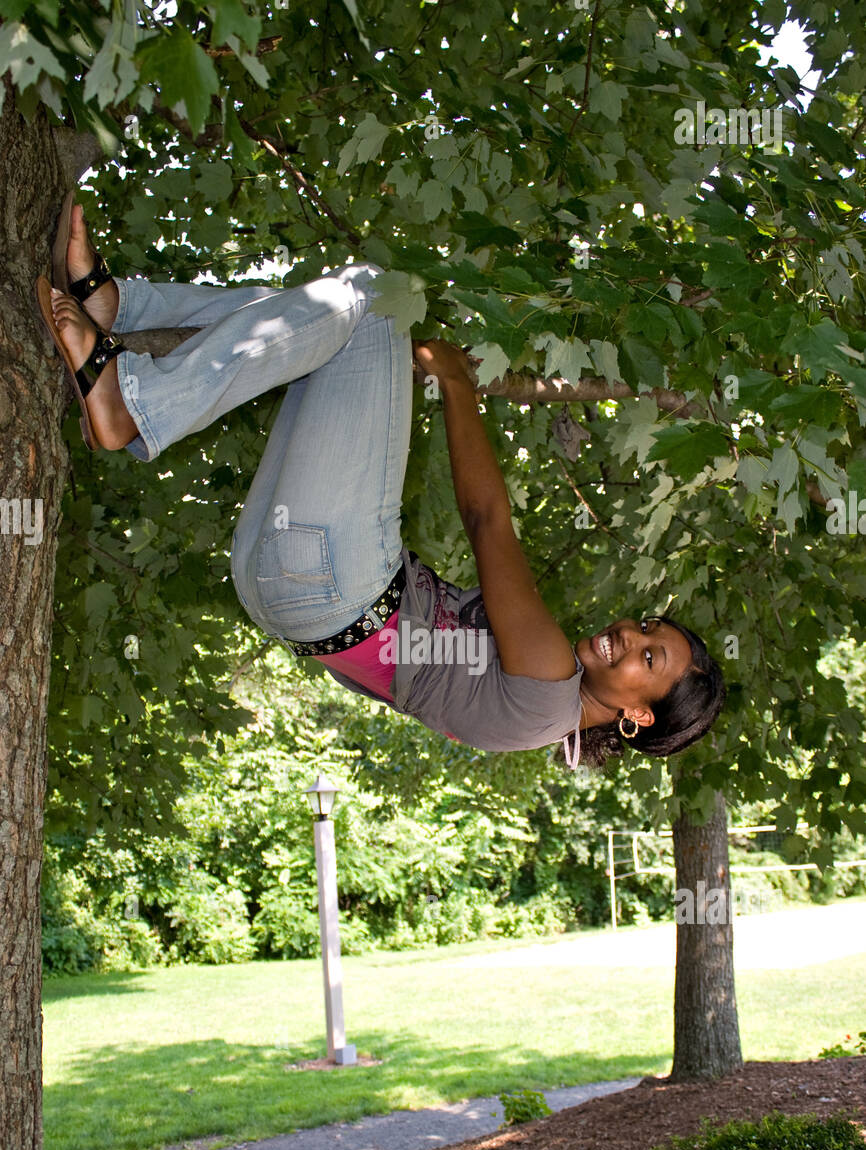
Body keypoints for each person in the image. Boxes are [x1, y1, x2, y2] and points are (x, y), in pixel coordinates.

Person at [38, 203, 725, 772]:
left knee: (375, 299)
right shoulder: (536, 723)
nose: (626, 638)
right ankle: (120, 306)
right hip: (288, 593)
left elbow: (487, 519)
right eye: (645, 628)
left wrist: (458, 386)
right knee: (318, 330)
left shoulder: (550, 685)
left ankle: (137, 403)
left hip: (338, 583)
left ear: (637, 715)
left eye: (647, 659)